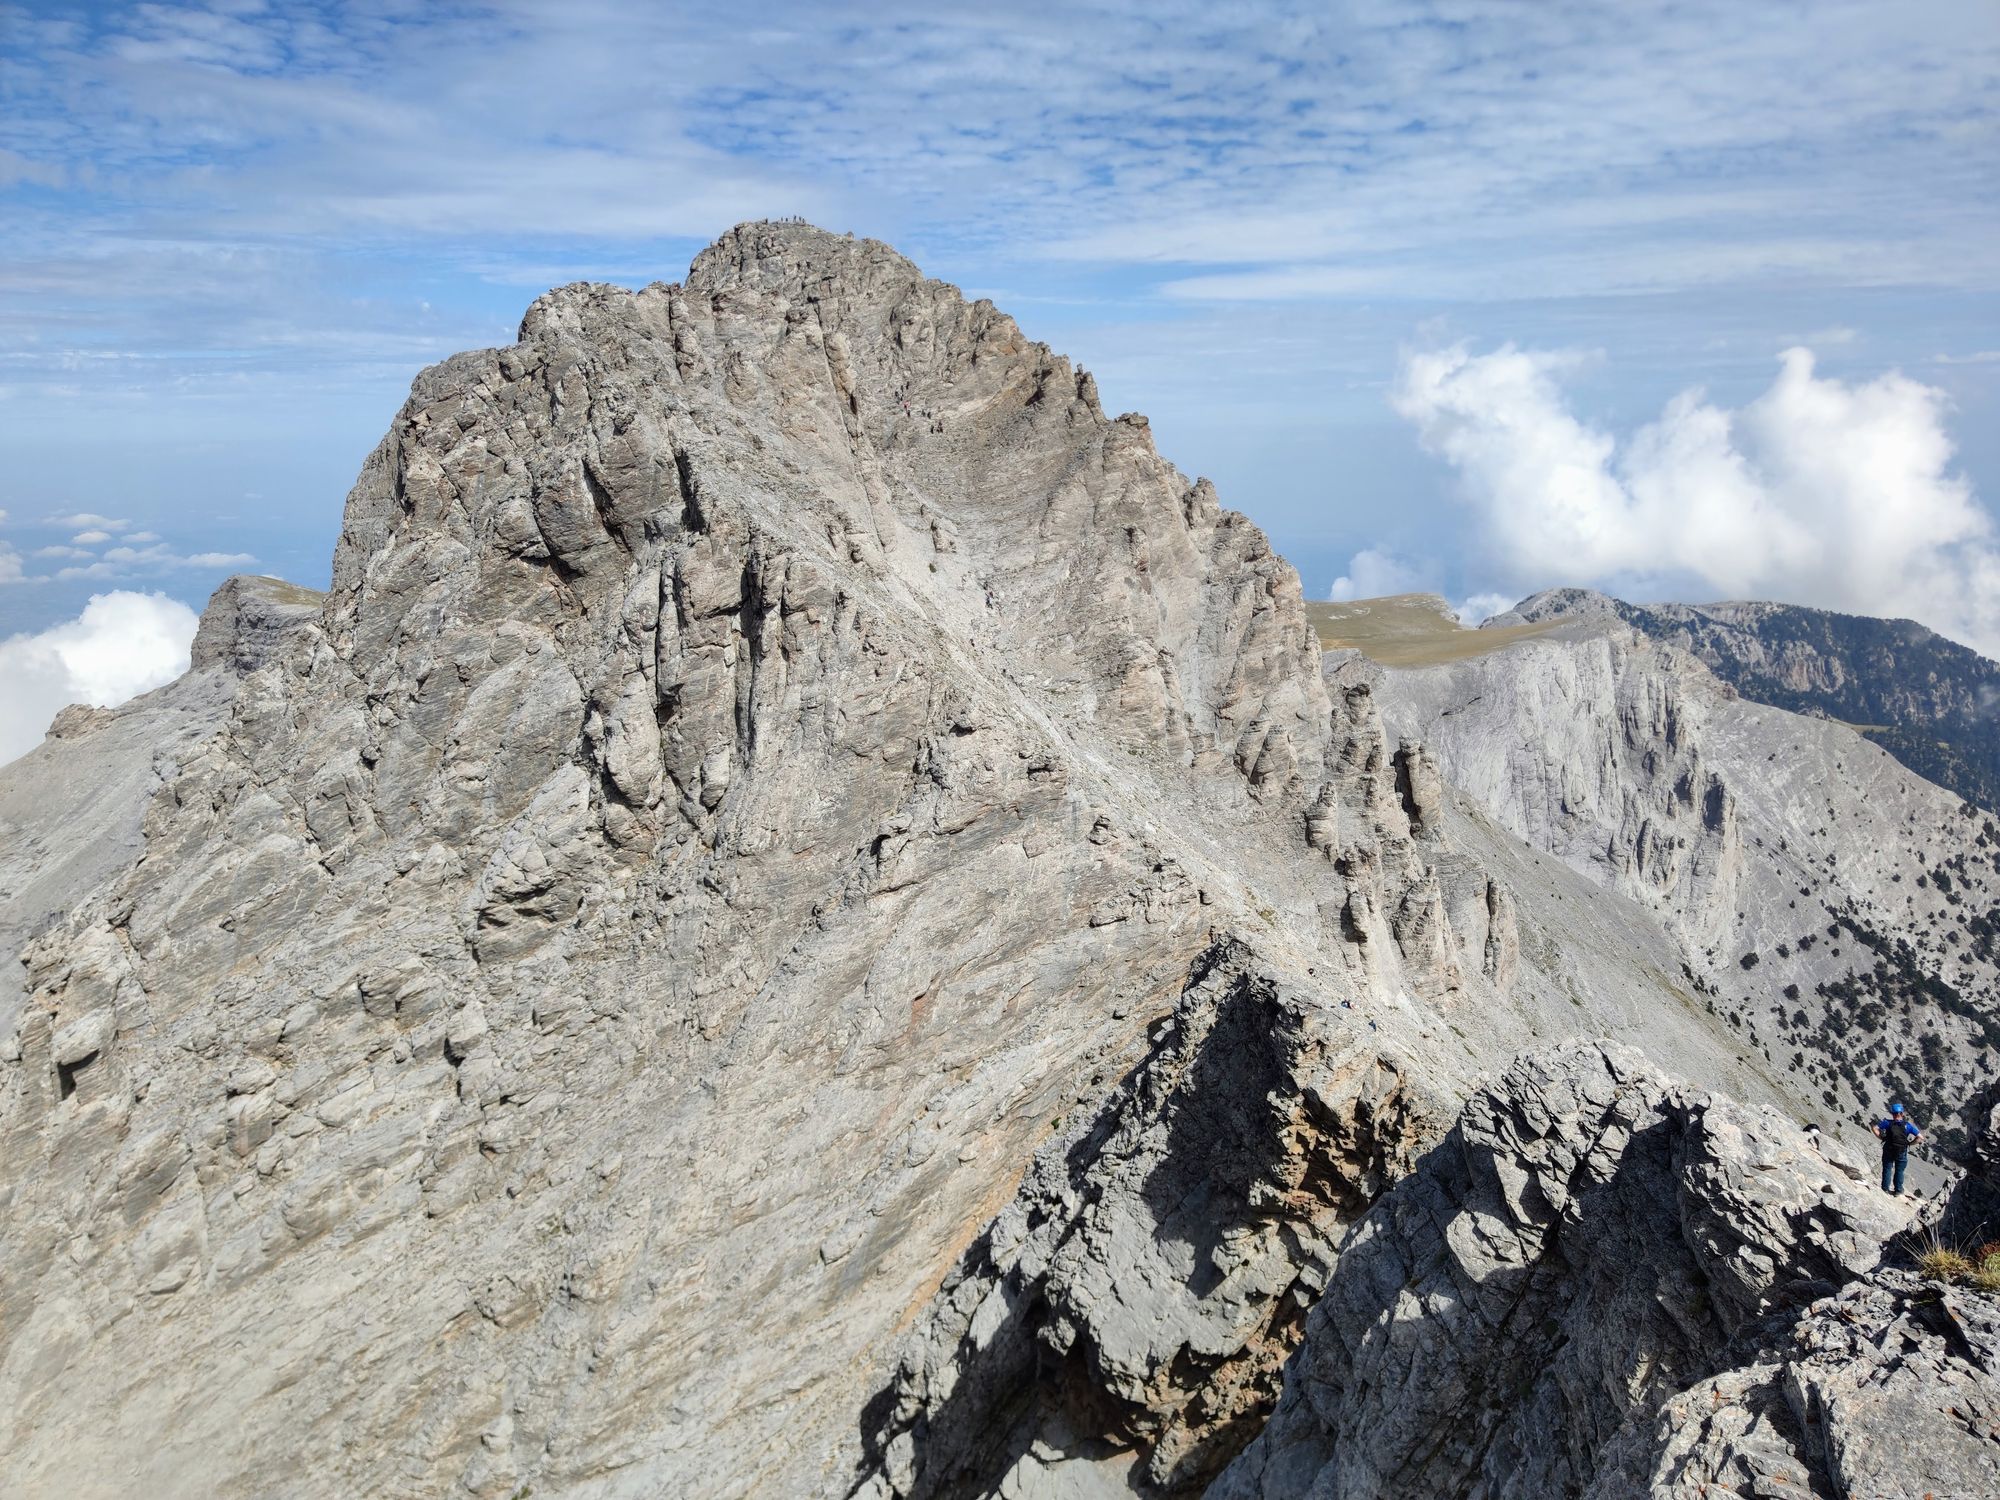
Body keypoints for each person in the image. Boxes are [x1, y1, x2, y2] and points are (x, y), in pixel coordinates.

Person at [1872, 1101, 1921, 1194]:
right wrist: (1910, 1143)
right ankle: (1898, 1190)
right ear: (1902, 1113)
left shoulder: (1887, 1123)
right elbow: (1920, 1138)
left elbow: (1874, 1128)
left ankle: (1885, 1189)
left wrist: (1881, 1137)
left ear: (1892, 1113)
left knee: (1887, 1168)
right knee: (1899, 1170)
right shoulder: (1908, 1126)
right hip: (1901, 1150)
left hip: (1888, 1148)